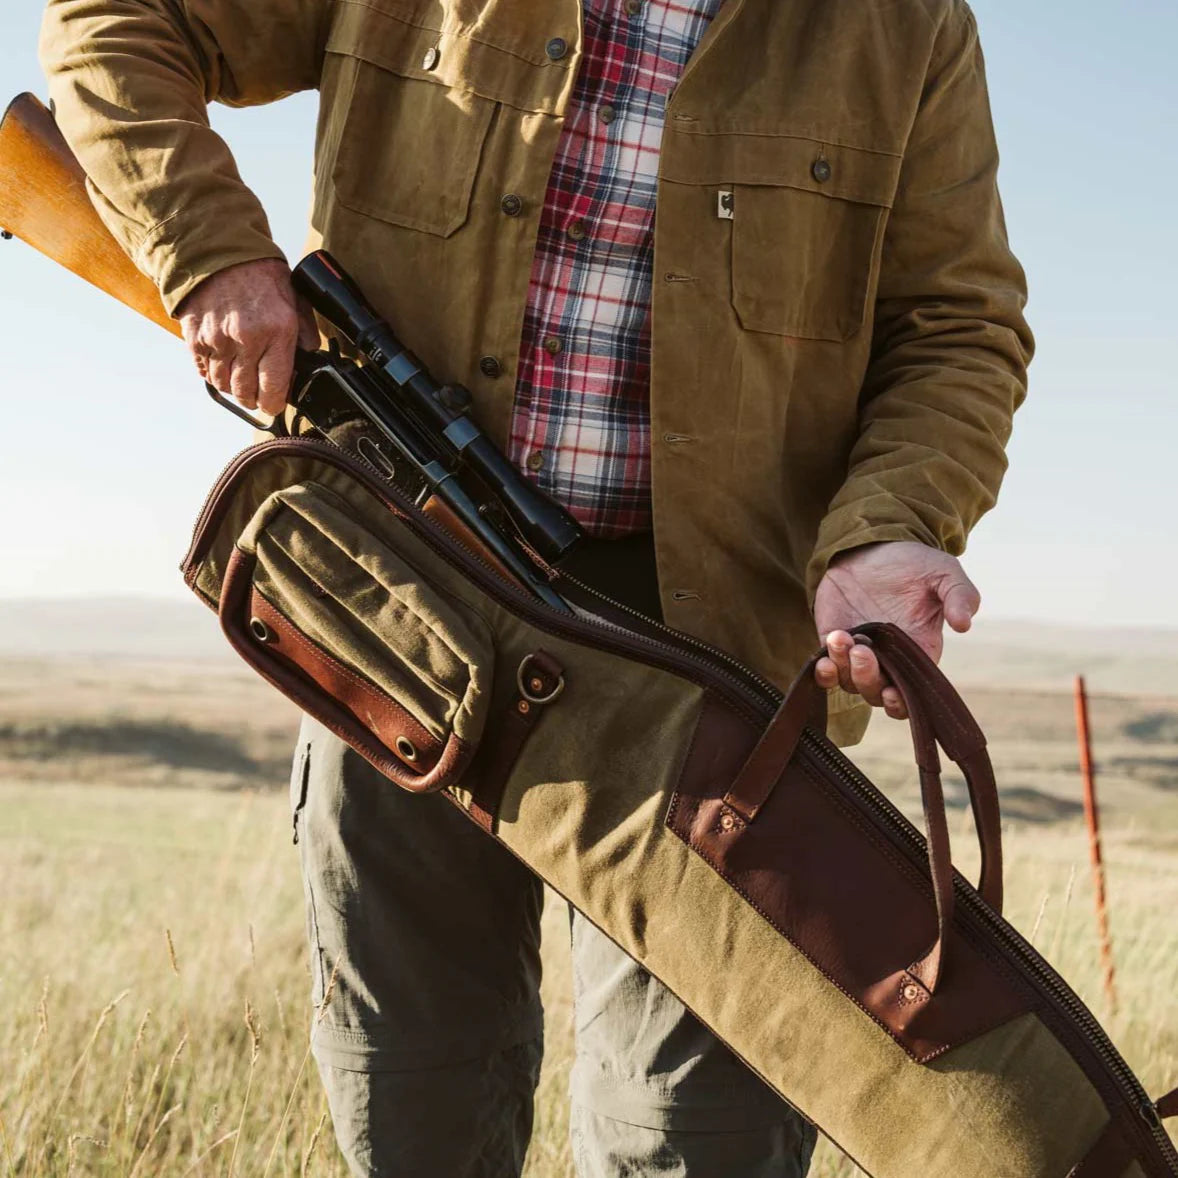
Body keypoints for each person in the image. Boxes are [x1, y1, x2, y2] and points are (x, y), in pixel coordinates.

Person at [40, 0, 1032, 1173]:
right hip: (399, 611)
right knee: (412, 1099)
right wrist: (207, 249)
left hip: (714, 674)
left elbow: (956, 324)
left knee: (697, 1139)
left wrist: (885, 529)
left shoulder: (903, 27)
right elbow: (115, 20)